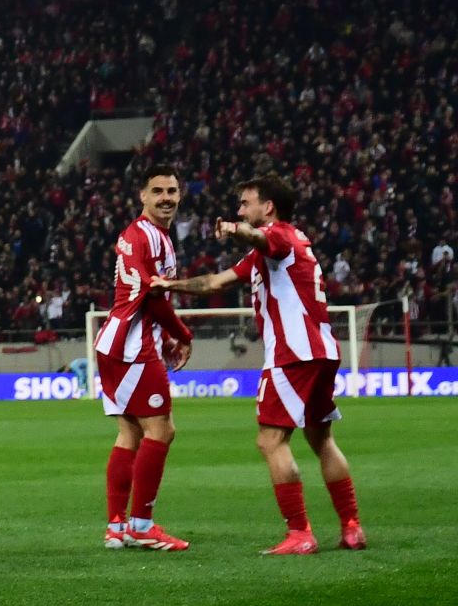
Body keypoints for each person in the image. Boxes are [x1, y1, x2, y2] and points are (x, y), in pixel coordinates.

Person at [153, 174, 367, 554]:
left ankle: (300, 534)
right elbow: (216, 282)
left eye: (245, 203)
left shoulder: (279, 236)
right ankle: (352, 527)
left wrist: (234, 229)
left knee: (270, 440)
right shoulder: (278, 248)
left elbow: (257, 235)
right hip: (321, 351)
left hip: (292, 355)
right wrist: (169, 285)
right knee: (321, 439)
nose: (240, 210)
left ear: (267, 207)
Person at [93, 166, 195, 551]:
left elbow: (146, 295)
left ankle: (116, 526)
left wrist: (165, 336)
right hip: (132, 348)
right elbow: (153, 294)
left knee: (130, 433)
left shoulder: (146, 235)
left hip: (118, 342)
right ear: (142, 196)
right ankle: (141, 524)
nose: (166, 198)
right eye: (158, 191)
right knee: (162, 430)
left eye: (172, 191)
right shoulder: (147, 236)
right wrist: (182, 334)